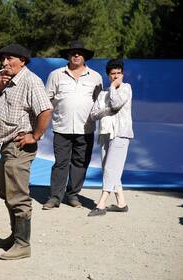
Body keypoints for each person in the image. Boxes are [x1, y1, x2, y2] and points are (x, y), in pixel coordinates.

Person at [0, 44, 52, 260]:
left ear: (22, 60)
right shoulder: (3, 80)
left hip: (21, 145)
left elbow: (45, 109)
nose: (4, 63)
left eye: (9, 59)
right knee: (4, 191)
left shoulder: (30, 80)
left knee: (18, 196)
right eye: (3, 59)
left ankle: (23, 244)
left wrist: (35, 135)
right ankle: (16, 236)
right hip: (6, 145)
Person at [43, 40, 103, 210]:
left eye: (80, 53)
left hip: (86, 128)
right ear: (68, 56)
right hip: (62, 127)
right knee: (60, 163)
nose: (76, 55)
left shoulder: (96, 77)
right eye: (73, 53)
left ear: (84, 57)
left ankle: (73, 195)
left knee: (80, 163)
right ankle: (54, 197)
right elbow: (47, 100)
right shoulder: (56, 75)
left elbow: (100, 103)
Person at [88, 59, 133, 216]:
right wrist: (106, 110)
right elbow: (94, 114)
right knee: (111, 168)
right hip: (105, 134)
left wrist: (113, 88)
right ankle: (121, 203)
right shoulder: (102, 94)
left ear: (122, 74)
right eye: (112, 74)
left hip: (120, 133)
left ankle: (101, 204)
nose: (116, 76)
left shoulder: (126, 88)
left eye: (118, 73)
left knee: (111, 168)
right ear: (108, 75)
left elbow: (116, 104)